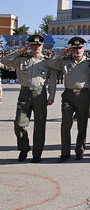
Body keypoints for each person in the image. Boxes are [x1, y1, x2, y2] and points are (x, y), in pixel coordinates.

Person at [1, 34, 57, 162]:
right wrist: (18, 52)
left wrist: (52, 95)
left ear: (42, 45)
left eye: (38, 45)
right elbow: (3, 61)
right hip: (24, 93)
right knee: (19, 124)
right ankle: (24, 147)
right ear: (29, 46)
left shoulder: (47, 60)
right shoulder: (21, 58)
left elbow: (52, 80)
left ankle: (37, 153)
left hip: (40, 93)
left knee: (39, 125)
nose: (35, 47)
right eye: (32, 45)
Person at [48, 37, 90, 161]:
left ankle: (80, 150)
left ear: (84, 48)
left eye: (79, 47)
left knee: (82, 125)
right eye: (74, 48)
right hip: (68, 96)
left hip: (84, 95)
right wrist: (63, 52)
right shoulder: (64, 61)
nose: (77, 50)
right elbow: (50, 63)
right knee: (65, 124)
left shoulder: (89, 62)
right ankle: (65, 152)